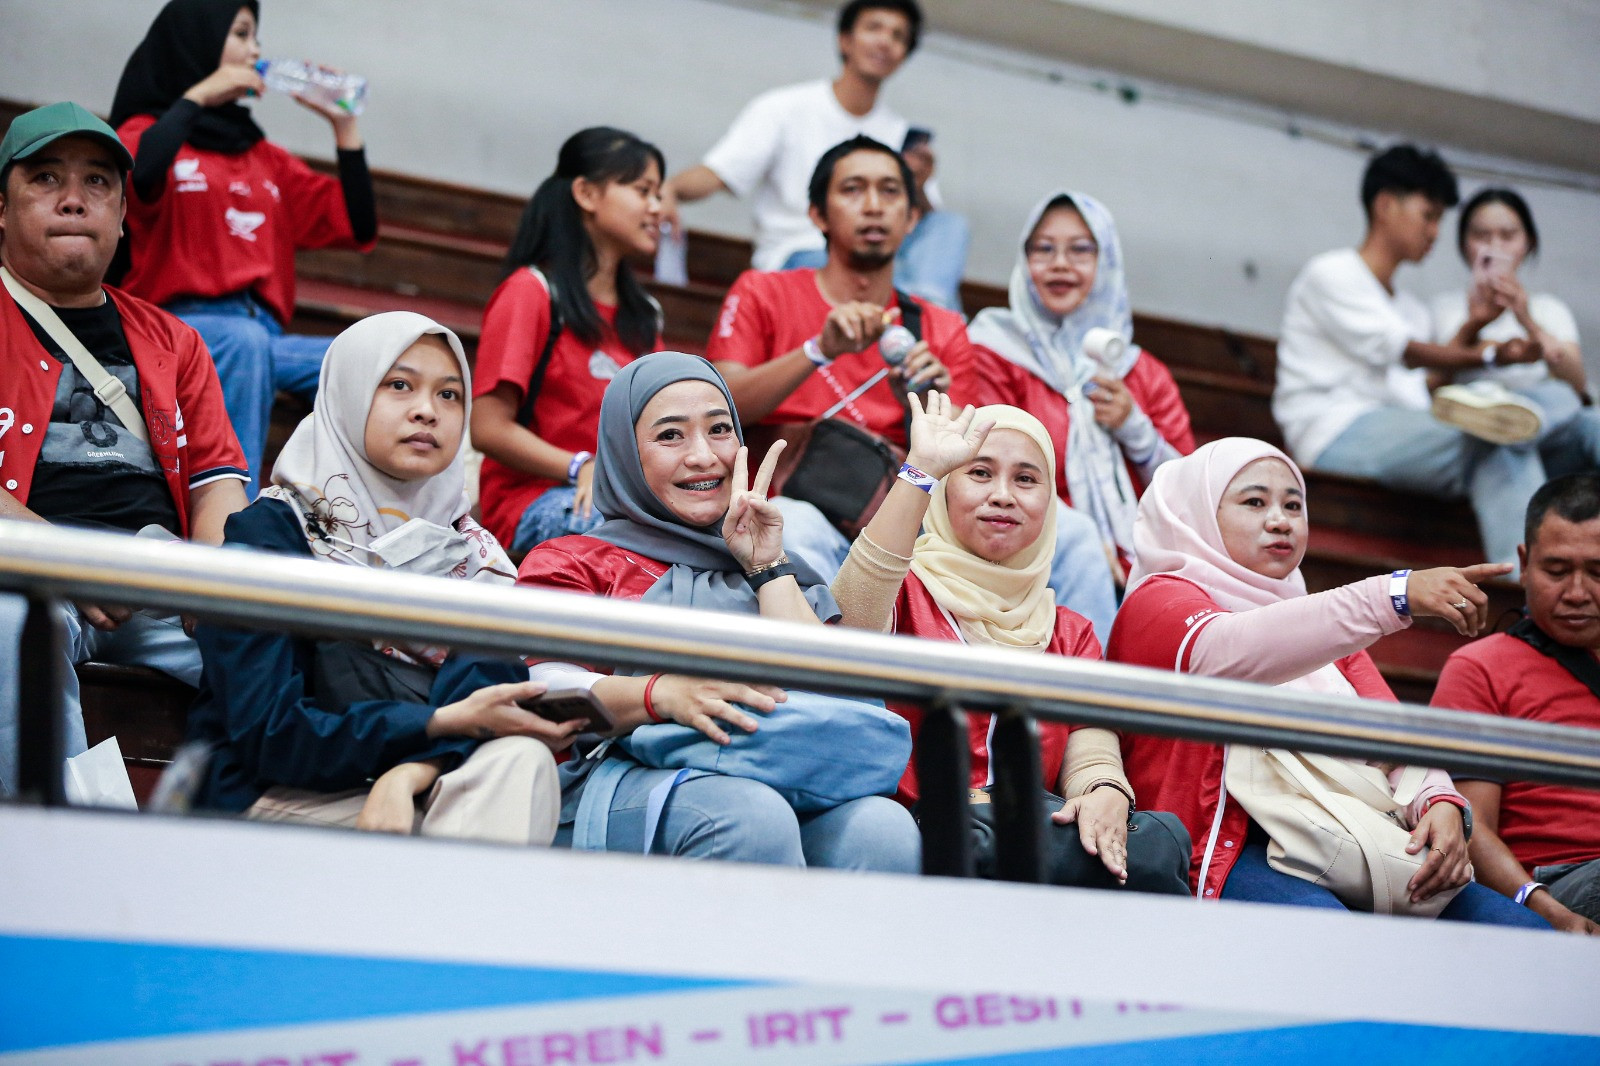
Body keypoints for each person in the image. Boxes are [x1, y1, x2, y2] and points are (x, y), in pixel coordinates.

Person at [1105, 437, 1546, 927]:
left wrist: (1439, 800)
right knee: (1336, 944)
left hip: (1354, 837)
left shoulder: (1317, 626)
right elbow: (1231, 651)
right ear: (1196, 512)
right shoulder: (1157, 602)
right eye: (1255, 502)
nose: (1281, 520)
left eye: (1293, 505)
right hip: (1231, 847)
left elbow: (1391, 731)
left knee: (1528, 935)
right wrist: (1394, 595)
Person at [517, 351, 920, 871]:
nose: (703, 456)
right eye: (670, 436)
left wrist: (766, 567)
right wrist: (663, 694)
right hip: (612, 774)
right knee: (749, 816)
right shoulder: (572, 560)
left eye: (720, 430)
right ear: (623, 452)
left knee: (882, 831)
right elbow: (544, 690)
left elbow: (830, 694)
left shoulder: (780, 559)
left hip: (777, 772)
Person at [186, 312, 566, 843]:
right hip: (280, 794)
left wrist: (408, 773)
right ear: (349, 392)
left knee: (519, 759)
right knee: (441, 831)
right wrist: (434, 728)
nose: (426, 411)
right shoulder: (272, 534)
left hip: (413, 782)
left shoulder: (468, 552)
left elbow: (489, 687)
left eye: (450, 395)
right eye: (399, 385)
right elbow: (270, 734)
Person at [831, 393, 1191, 892]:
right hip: (906, 841)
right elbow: (848, 631)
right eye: (979, 473)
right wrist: (920, 471)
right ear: (945, 489)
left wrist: (1105, 789)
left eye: (1026, 479)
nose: (1003, 494)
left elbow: (1089, 742)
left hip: (1025, 848)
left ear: (1050, 502)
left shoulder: (1070, 631)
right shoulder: (902, 591)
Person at [0, 102, 248, 796]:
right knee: (10, 628)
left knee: (268, 643)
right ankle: (57, 856)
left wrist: (208, 576)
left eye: (98, 183)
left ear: (120, 213)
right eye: (46, 179)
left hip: (156, 576)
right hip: (24, 571)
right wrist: (69, 562)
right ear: (1, 207)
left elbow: (218, 481)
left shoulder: (174, 340)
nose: (75, 199)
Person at [110, 0, 378, 494]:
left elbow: (359, 225)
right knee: (243, 344)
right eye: (241, 33)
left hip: (265, 337)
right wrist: (198, 97)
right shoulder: (143, 135)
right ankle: (235, 530)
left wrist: (346, 126)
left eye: (256, 36)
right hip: (174, 330)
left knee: (387, 362)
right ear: (200, 42)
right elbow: (136, 177)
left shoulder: (265, 155)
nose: (255, 49)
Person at [1274, 144, 1563, 574]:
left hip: (1401, 429)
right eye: (1428, 215)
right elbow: (1406, 353)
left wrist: (1475, 325)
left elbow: (1427, 384)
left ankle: (1529, 586)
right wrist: (1487, 356)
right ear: (1386, 205)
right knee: (1502, 431)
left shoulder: (1411, 308)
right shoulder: (1332, 273)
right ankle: (1531, 590)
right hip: (1334, 431)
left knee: (1524, 424)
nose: (1434, 232)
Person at [705, 136, 974, 573]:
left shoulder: (942, 327)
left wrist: (929, 404)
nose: (873, 206)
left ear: (912, 219)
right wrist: (819, 350)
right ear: (817, 215)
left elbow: (966, 464)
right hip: (781, 505)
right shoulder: (763, 291)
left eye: (890, 191)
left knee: (1066, 534)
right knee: (795, 526)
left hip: (894, 514)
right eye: (852, 190)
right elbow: (723, 404)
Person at [661, 0, 969, 310]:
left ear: (904, 55)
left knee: (950, 226)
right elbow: (719, 172)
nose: (885, 41)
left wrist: (917, 185)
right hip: (803, 253)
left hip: (884, 262)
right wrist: (670, 189)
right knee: (864, 275)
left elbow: (925, 227)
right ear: (845, 40)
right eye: (874, 28)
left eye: (898, 36)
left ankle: (924, 314)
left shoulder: (902, 134)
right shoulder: (785, 108)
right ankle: (920, 318)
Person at [969, 190, 1195, 594]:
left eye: (1080, 251)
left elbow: (1187, 494)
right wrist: (1079, 542)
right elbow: (985, 468)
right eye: (1043, 249)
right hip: (1021, 550)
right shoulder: (993, 350)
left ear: (1106, 262)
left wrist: (1134, 429)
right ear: (1024, 261)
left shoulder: (1142, 372)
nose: (1060, 264)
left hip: (1138, 556)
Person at [471, 128, 664, 554]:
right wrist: (581, 466)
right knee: (621, 538)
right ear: (587, 194)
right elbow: (487, 427)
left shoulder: (644, 314)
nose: (658, 208)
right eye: (643, 190)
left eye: (659, 194)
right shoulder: (532, 291)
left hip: (623, 503)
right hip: (534, 499)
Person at [1433, 473, 1600, 934]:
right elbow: (1469, 825)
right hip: (1553, 882)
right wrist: (1544, 908)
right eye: (1557, 571)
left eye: (1598, 572)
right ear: (1524, 564)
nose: (1577, 593)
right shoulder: (1479, 667)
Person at [1429, 186, 1599, 474]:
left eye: (1508, 236)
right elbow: (1432, 384)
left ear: (1528, 243)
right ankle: (1499, 418)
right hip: (1470, 438)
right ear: (1463, 244)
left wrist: (1527, 319)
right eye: (1481, 236)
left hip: (1549, 432)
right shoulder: (1443, 308)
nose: (1494, 247)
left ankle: (1516, 419)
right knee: (1502, 446)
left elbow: (1578, 385)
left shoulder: (1548, 309)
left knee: (1570, 403)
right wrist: (1475, 322)